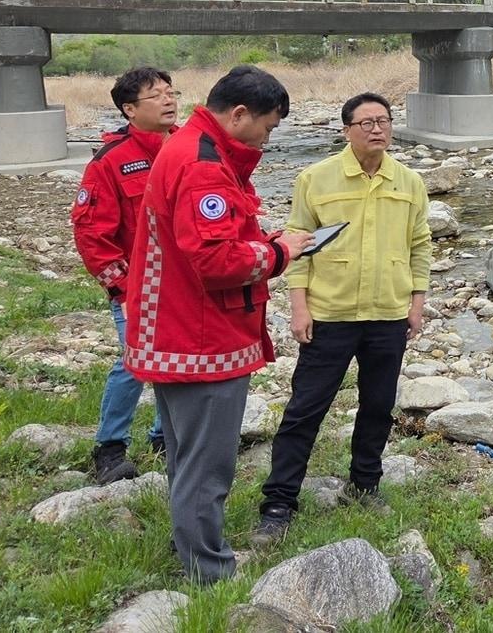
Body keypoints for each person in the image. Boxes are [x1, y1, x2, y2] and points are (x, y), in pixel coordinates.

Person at [123, 65, 313, 583]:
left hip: (177, 330)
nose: (270, 139)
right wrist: (277, 252)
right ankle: (208, 569)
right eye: (269, 128)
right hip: (200, 339)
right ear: (239, 114)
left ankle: (192, 547)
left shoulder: (186, 146)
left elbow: (206, 242)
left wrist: (261, 241)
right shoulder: (204, 164)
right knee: (207, 465)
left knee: (187, 457)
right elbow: (215, 261)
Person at [253, 92, 430, 545]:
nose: (377, 129)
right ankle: (279, 501)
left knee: (377, 406)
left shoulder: (408, 182)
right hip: (329, 315)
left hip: (387, 314)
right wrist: (299, 305)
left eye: (384, 120)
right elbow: (297, 244)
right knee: (304, 410)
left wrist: (416, 303)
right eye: (367, 121)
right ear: (347, 129)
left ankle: (364, 485)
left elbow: (420, 246)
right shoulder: (317, 178)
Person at [71, 66, 179, 484]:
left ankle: (163, 435)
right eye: (157, 95)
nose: (169, 100)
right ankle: (110, 448)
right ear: (130, 110)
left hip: (189, 284)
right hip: (136, 287)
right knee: (135, 362)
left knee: (180, 360)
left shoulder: (191, 147)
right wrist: (122, 286)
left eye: (171, 92)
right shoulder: (111, 161)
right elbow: (91, 232)